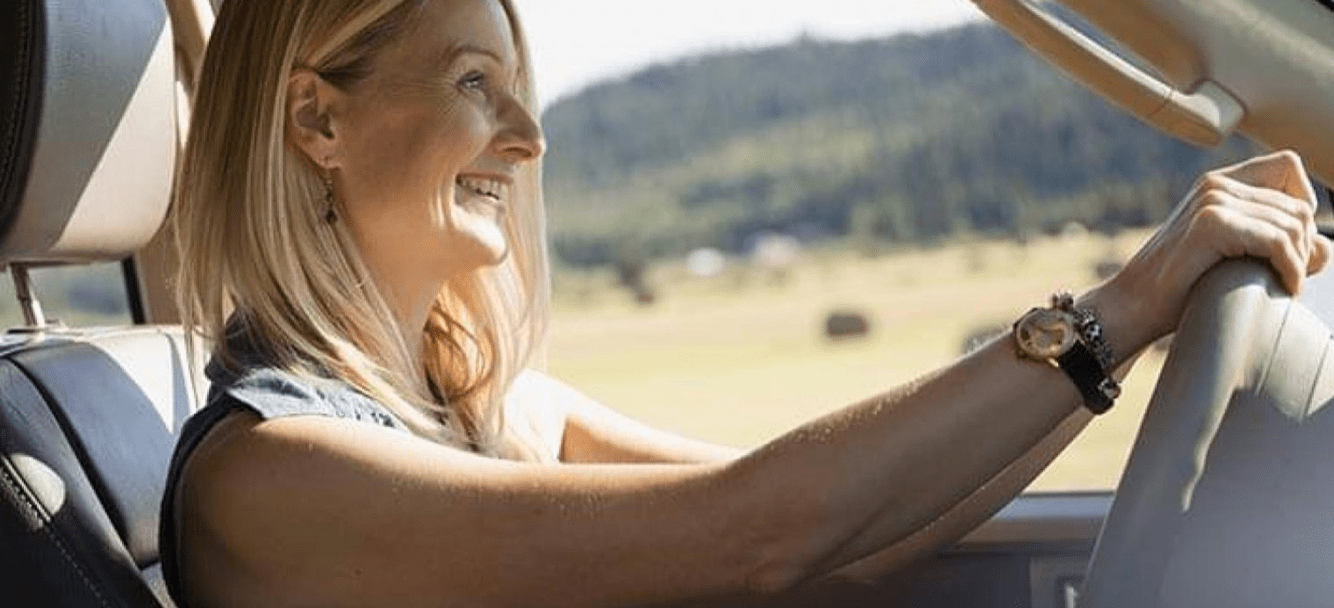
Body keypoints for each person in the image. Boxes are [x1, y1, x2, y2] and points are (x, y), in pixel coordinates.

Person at [159, 0, 1332, 606]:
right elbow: (762, 528)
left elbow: (858, 528)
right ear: (318, 122)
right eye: (475, 85)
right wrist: (1116, 305)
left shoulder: (488, 409)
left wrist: (1115, 342)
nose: (527, 137)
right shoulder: (273, 477)